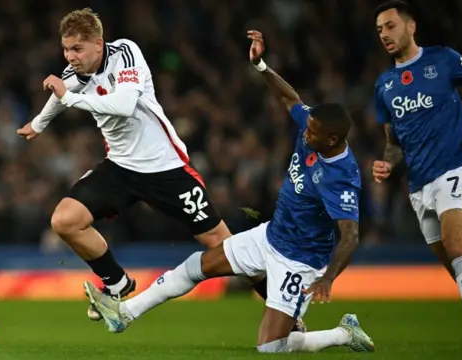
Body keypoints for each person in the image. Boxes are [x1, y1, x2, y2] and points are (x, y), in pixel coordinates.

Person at [83, 30, 374, 354]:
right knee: (196, 266)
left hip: (301, 261)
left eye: (313, 132)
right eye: (308, 126)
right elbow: (291, 99)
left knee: (271, 347)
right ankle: (125, 313)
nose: (306, 132)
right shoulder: (314, 128)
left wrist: (328, 278)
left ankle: (343, 334)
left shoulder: (341, 176)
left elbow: (350, 235)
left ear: (332, 140)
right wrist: (262, 66)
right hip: (272, 236)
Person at [16, 8, 289, 326]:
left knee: (222, 245)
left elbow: (124, 105)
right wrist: (38, 124)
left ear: (98, 44)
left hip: (166, 167)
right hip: (120, 168)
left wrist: (69, 99)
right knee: (64, 221)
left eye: (77, 49)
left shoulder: (126, 54)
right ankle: (117, 283)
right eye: (65, 49)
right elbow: (60, 93)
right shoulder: (73, 75)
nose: (70, 56)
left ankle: (283, 307)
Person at [371, 0, 462, 349]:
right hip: (418, 186)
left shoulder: (443, 59)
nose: (384, 35)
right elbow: (393, 141)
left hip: (452, 169)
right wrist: (388, 163)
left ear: (411, 26)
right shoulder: (385, 85)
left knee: (456, 246)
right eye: (379, 30)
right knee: (459, 262)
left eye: (390, 26)